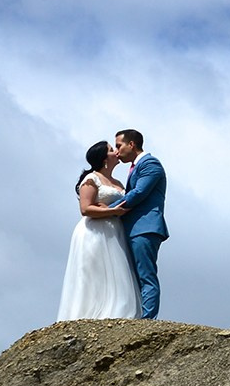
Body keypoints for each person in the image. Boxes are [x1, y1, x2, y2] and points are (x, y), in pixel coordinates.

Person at [56, 141, 141, 321]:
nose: (116, 152)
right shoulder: (91, 179)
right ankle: (89, 315)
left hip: (115, 230)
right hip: (94, 230)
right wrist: (112, 211)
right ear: (103, 158)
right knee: (94, 272)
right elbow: (85, 209)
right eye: (111, 150)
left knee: (117, 273)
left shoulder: (118, 182)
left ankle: (115, 313)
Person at [110, 128, 168, 319]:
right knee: (136, 275)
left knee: (146, 275)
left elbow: (139, 193)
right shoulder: (137, 166)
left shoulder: (150, 164)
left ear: (131, 144)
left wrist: (108, 210)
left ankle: (147, 319)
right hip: (135, 228)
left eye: (119, 146)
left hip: (145, 227)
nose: (117, 152)